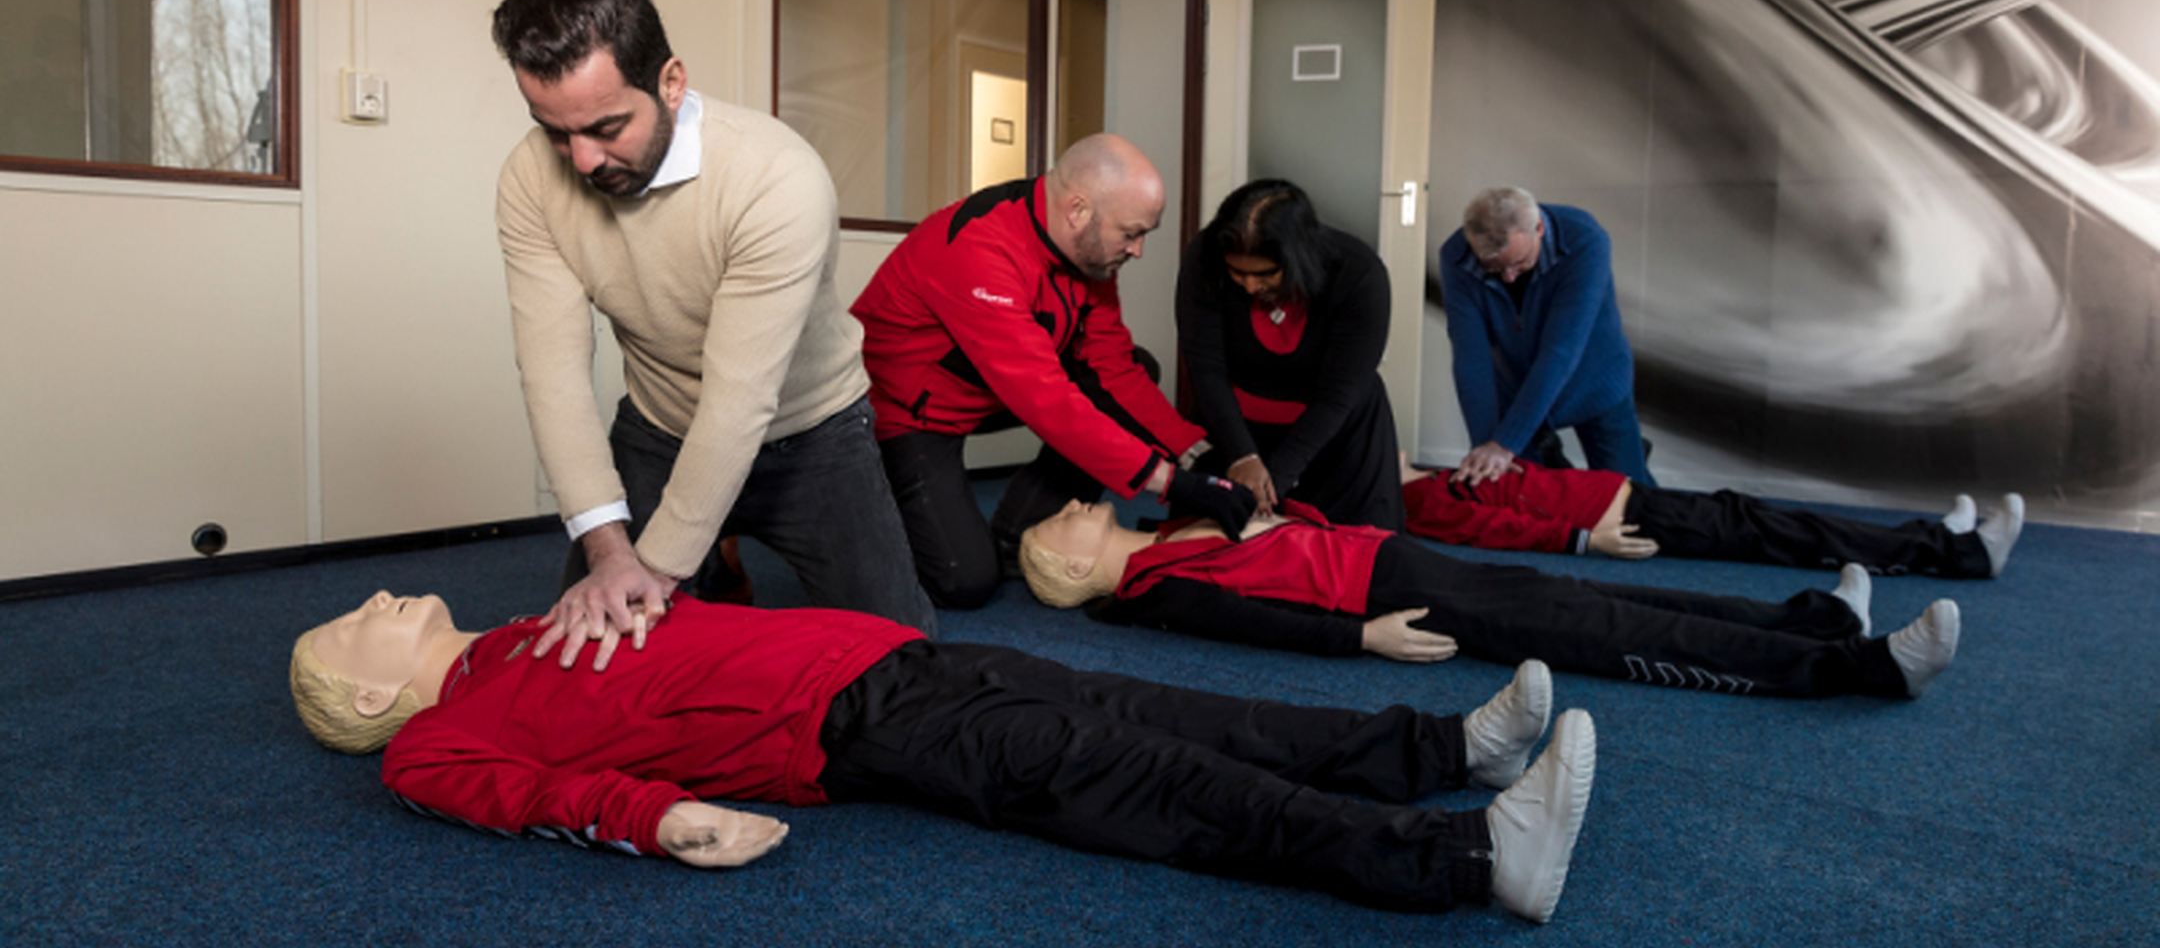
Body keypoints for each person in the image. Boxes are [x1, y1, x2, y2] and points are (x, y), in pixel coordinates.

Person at [287, 591, 1597, 923]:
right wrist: (657, 820)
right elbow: (537, 797)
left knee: (1163, 708)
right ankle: (1468, 861)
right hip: (852, 730)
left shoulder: (522, 628)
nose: (381, 601)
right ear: (361, 689)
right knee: (1129, 776)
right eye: (358, 621)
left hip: (883, 655)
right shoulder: (437, 743)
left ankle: (1439, 749)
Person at [489, 0, 933, 650]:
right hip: (660, 425)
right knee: (596, 655)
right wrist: (609, 552)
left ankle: (706, 547)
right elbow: (552, 373)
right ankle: (717, 563)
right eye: (557, 131)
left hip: (810, 432)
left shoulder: (776, 177)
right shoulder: (529, 178)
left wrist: (660, 569)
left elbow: (740, 398)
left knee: (903, 656)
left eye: (607, 128)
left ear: (671, 83)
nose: (582, 161)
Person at [851, 133, 1255, 610]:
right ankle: (859, 513)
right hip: (909, 411)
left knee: (1134, 368)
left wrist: (1197, 454)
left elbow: (1114, 368)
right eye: (1130, 233)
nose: (1138, 250)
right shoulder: (979, 250)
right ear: (1078, 210)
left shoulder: (1089, 251)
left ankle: (1016, 535)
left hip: (988, 391)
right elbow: (1047, 401)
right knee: (965, 583)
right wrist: (1173, 484)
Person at [1019, 499, 1963, 700]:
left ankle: (1814, 617)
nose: (1068, 506)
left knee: (1582, 591)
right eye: (1056, 527)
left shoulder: (1168, 522)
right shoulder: (1156, 589)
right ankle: (1855, 667)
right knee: (1601, 628)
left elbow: (1268, 512)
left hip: (1398, 557)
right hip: (1393, 599)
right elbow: (1256, 618)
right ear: (1070, 573)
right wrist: (1365, 642)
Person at [1175, 179, 1403, 529]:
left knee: (1352, 554)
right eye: (1237, 272)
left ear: (1298, 256)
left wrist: (1275, 479)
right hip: (1233, 425)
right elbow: (1205, 367)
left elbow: (1337, 395)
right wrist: (1243, 455)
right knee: (1207, 548)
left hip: (1334, 429)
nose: (1250, 286)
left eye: (1265, 274)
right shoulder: (1203, 258)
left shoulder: (1359, 274)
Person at [1400, 454, 2026, 578]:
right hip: (1626, 516)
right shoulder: (1417, 499)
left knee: (1773, 525)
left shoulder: (1423, 476)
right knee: (1789, 535)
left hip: (1626, 497)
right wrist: (1584, 540)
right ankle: (1958, 552)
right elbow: (1493, 530)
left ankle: (1937, 539)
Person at [1437, 187, 1654, 487]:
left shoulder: (1585, 240)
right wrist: (1486, 447)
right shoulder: (1456, 257)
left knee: (1629, 495)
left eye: (1519, 263)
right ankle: (1548, 454)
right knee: (1521, 492)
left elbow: (1560, 353)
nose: (1509, 277)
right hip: (1518, 387)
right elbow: (1471, 358)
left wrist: (1505, 443)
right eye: (1494, 268)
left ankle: (1630, 462)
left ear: (1538, 228)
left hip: (1595, 381)